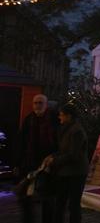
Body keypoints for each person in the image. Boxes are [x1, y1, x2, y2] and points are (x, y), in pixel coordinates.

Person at [14, 94, 59, 223]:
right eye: (35, 103)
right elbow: (22, 142)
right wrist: (18, 162)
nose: (37, 105)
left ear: (46, 104)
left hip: (47, 164)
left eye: (40, 103)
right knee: (26, 197)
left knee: (48, 198)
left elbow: (58, 141)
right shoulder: (29, 120)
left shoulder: (54, 120)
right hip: (30, 163)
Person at [44, 104, 89, 223]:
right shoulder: (66, 129)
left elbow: (74, 155)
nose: (59, 117)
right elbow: (63, 149)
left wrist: (55, 160)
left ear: (69, 116)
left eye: (61, 115)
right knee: (60, 202)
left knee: (73, 204)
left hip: (76, 173)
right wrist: (53, 155)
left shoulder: (77, 131)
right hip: (65, 172)